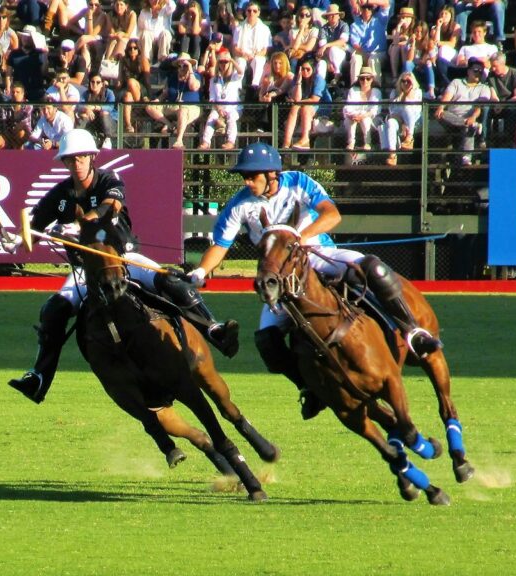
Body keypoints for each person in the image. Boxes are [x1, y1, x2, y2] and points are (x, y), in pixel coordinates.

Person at [186, 141, 442, 419]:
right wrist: (200, 273)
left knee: (374, 269)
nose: (247, 181)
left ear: (271, 173)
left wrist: (299, 238)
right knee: (267, 342)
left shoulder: (298, 182)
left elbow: (332, 214)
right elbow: (220, 245)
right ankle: (310, 388)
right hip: (282, 278)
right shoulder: (240, 204)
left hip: (318, 254)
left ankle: (413, 331)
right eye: (244, 176)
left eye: (252, 175)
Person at [3, 128, 239, 403]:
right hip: (86, 271)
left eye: (81, 157)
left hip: (124, 259)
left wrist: (79, 224)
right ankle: (39, 378)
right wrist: (16, 239)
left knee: (173, 283)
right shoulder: (60, 194)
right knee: (53, 311)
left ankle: (214, 330)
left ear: (92, 156)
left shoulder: (108, 179)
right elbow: (32, 227)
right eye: (70, 159)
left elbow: (109, 207)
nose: (76, 163)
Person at [434, 57, 492, 165]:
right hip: (451, 117)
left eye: (480, 71)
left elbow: (479, 107)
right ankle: (472, 125)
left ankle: (466, 157)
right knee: (442, 114)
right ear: (468, 71)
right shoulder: (456, 82)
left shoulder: (484, 88)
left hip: (469, 118)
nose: (478, 73)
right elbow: (447, 96)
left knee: (468, 126)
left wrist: (473, 117)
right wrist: (441, 107)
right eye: (475, 70)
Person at [146, 52, 202, 149]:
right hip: (172, 106)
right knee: (150, 107)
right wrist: (157, 100)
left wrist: (190, 70)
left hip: (190, 107)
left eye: (185, 65)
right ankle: (170, 124)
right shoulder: (173, 77)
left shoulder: (196, 76)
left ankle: (179, 141)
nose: (182, 68)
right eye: (180, 65)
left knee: (182, 110)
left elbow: (193, 87)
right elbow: (165, 93)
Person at [198, 48, 244, 150]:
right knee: (211, 118)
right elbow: (212, 98)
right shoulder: (214, 80)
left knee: (232, 118)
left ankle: (230, 142)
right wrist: (218, 109)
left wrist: (230, 59)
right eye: (221, 62)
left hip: (233, 107)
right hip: (219, 107)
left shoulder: (235, 77)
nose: (223, 64)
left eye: (225, 62)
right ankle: (206, 142)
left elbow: (241, 71)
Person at [380, 72, 422, 165]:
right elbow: (392, 109)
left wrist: (408, 93)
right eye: (403, 81)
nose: (405, 83)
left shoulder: (417, 92)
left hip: (413, 119)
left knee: (407, 107)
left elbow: (416, 109)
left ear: (413, 82)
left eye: (408, 81)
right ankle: (392, 154)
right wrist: (401, 95)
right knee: (390, 122)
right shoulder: (394, 92)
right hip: (397, 117)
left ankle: (410, 138)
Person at [342, 65, 380, 162]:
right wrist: (354, 115)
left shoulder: (376, 91)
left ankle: (367, 142)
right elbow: (348, 107)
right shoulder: (353, 90)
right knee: (351, 118)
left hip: (370, 119)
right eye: (362, 78)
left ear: (372, 79)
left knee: (365, 117)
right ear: (359, 80)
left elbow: (375, 110)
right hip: (353, 117)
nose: (365, 81)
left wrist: (363, 115)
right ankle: (351, 143)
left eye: (368, 78)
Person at [231, 1, 271, 90]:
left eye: (254, 11)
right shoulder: (239, 28)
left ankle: (255, 85)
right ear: (245, 12)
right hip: (242, 55)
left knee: (258, 61)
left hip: (257, 55)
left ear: (259, 12)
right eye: (249, 11)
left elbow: (265, 50)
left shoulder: (265, 29)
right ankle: (237, 87)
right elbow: (235, 48)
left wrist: (254, 55)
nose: (251, 13)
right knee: (240, 62)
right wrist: (243, 54)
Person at [315, 4, 349, 84]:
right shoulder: (323, 29)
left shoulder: (344, 25)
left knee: (334, 49)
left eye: (335, 15)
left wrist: (327, 45)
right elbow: (322, 47)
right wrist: (328, 61)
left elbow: (342, 40)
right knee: (321, 63)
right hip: (328, 55)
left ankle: (337, 74)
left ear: (339, 16)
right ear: (327, 17)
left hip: (343, 53)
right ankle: (319, 86)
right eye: (330, 15)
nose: (333, 17)